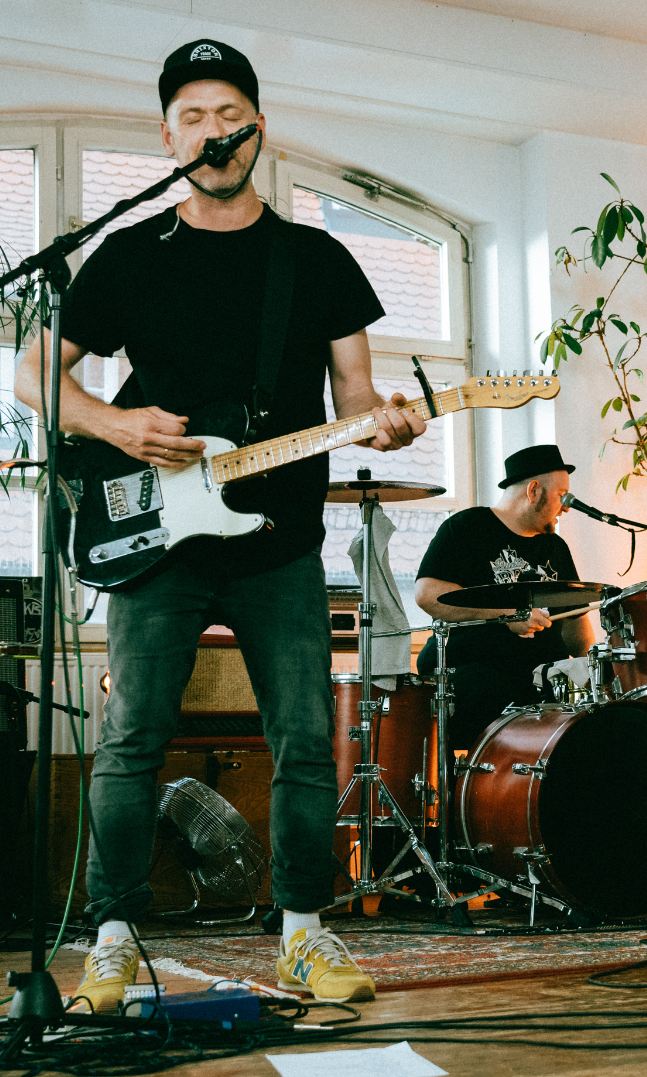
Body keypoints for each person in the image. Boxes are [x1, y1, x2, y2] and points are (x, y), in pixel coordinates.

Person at [14, 39, 426, 1010]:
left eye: (230, 115)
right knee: (131, 739)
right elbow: (33, 373)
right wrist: (115, 424)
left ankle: (304, 935)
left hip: (278, 542)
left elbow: (358, 396)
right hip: (156, 536)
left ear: (259, 131)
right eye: (193, 116)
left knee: (303, 739)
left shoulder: (315, 260)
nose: (214, 131)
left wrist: (390, 422)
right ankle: (113, 939)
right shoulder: (130, 255)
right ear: (169, 137)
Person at [414, 444, 595, 751]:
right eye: (562, 495)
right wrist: (506, 615)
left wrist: (592, 672)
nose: (566, 507)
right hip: (474, 677)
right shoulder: (466, 528)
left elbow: (576, 628)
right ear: (534, 491)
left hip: (542, 682)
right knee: (490, 690)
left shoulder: (556, 547)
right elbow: (428, 595)